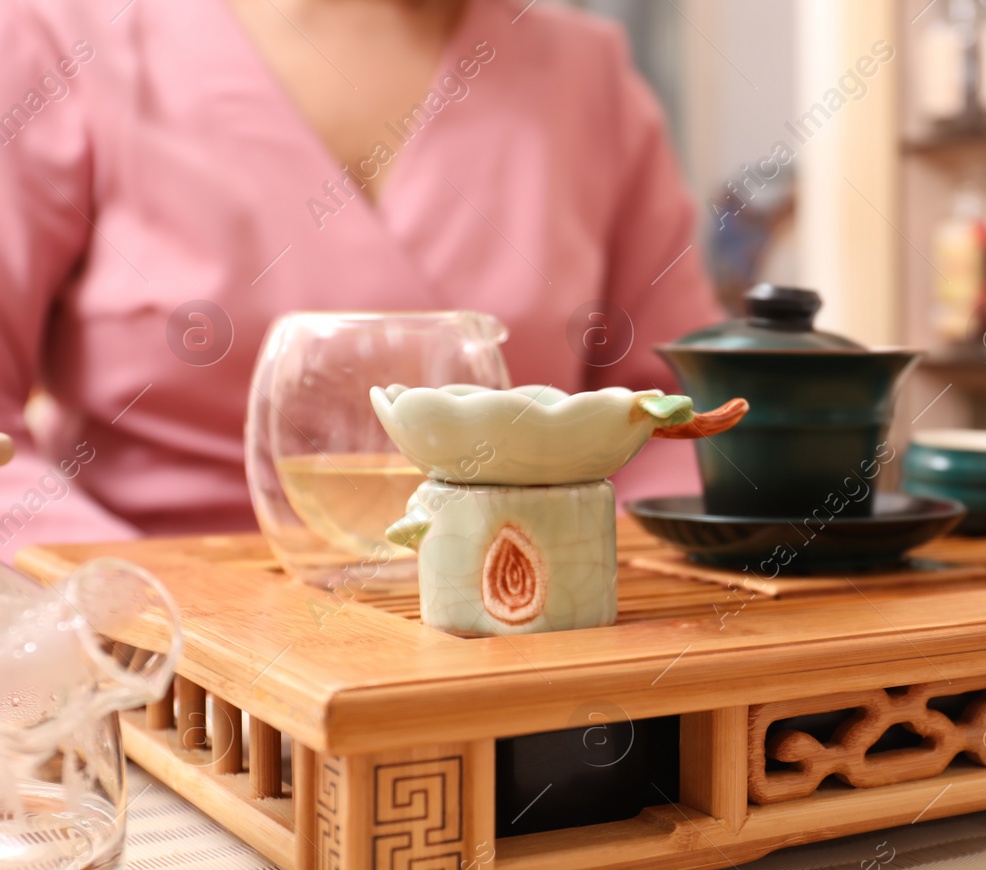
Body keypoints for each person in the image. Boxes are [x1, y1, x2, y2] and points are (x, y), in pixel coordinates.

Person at [0, 0, 721, 563]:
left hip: (515, 657)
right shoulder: (64, 39)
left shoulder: (585, 76)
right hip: (149, 680)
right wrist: (122, 606)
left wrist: (591, 584)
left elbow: (673, 418)